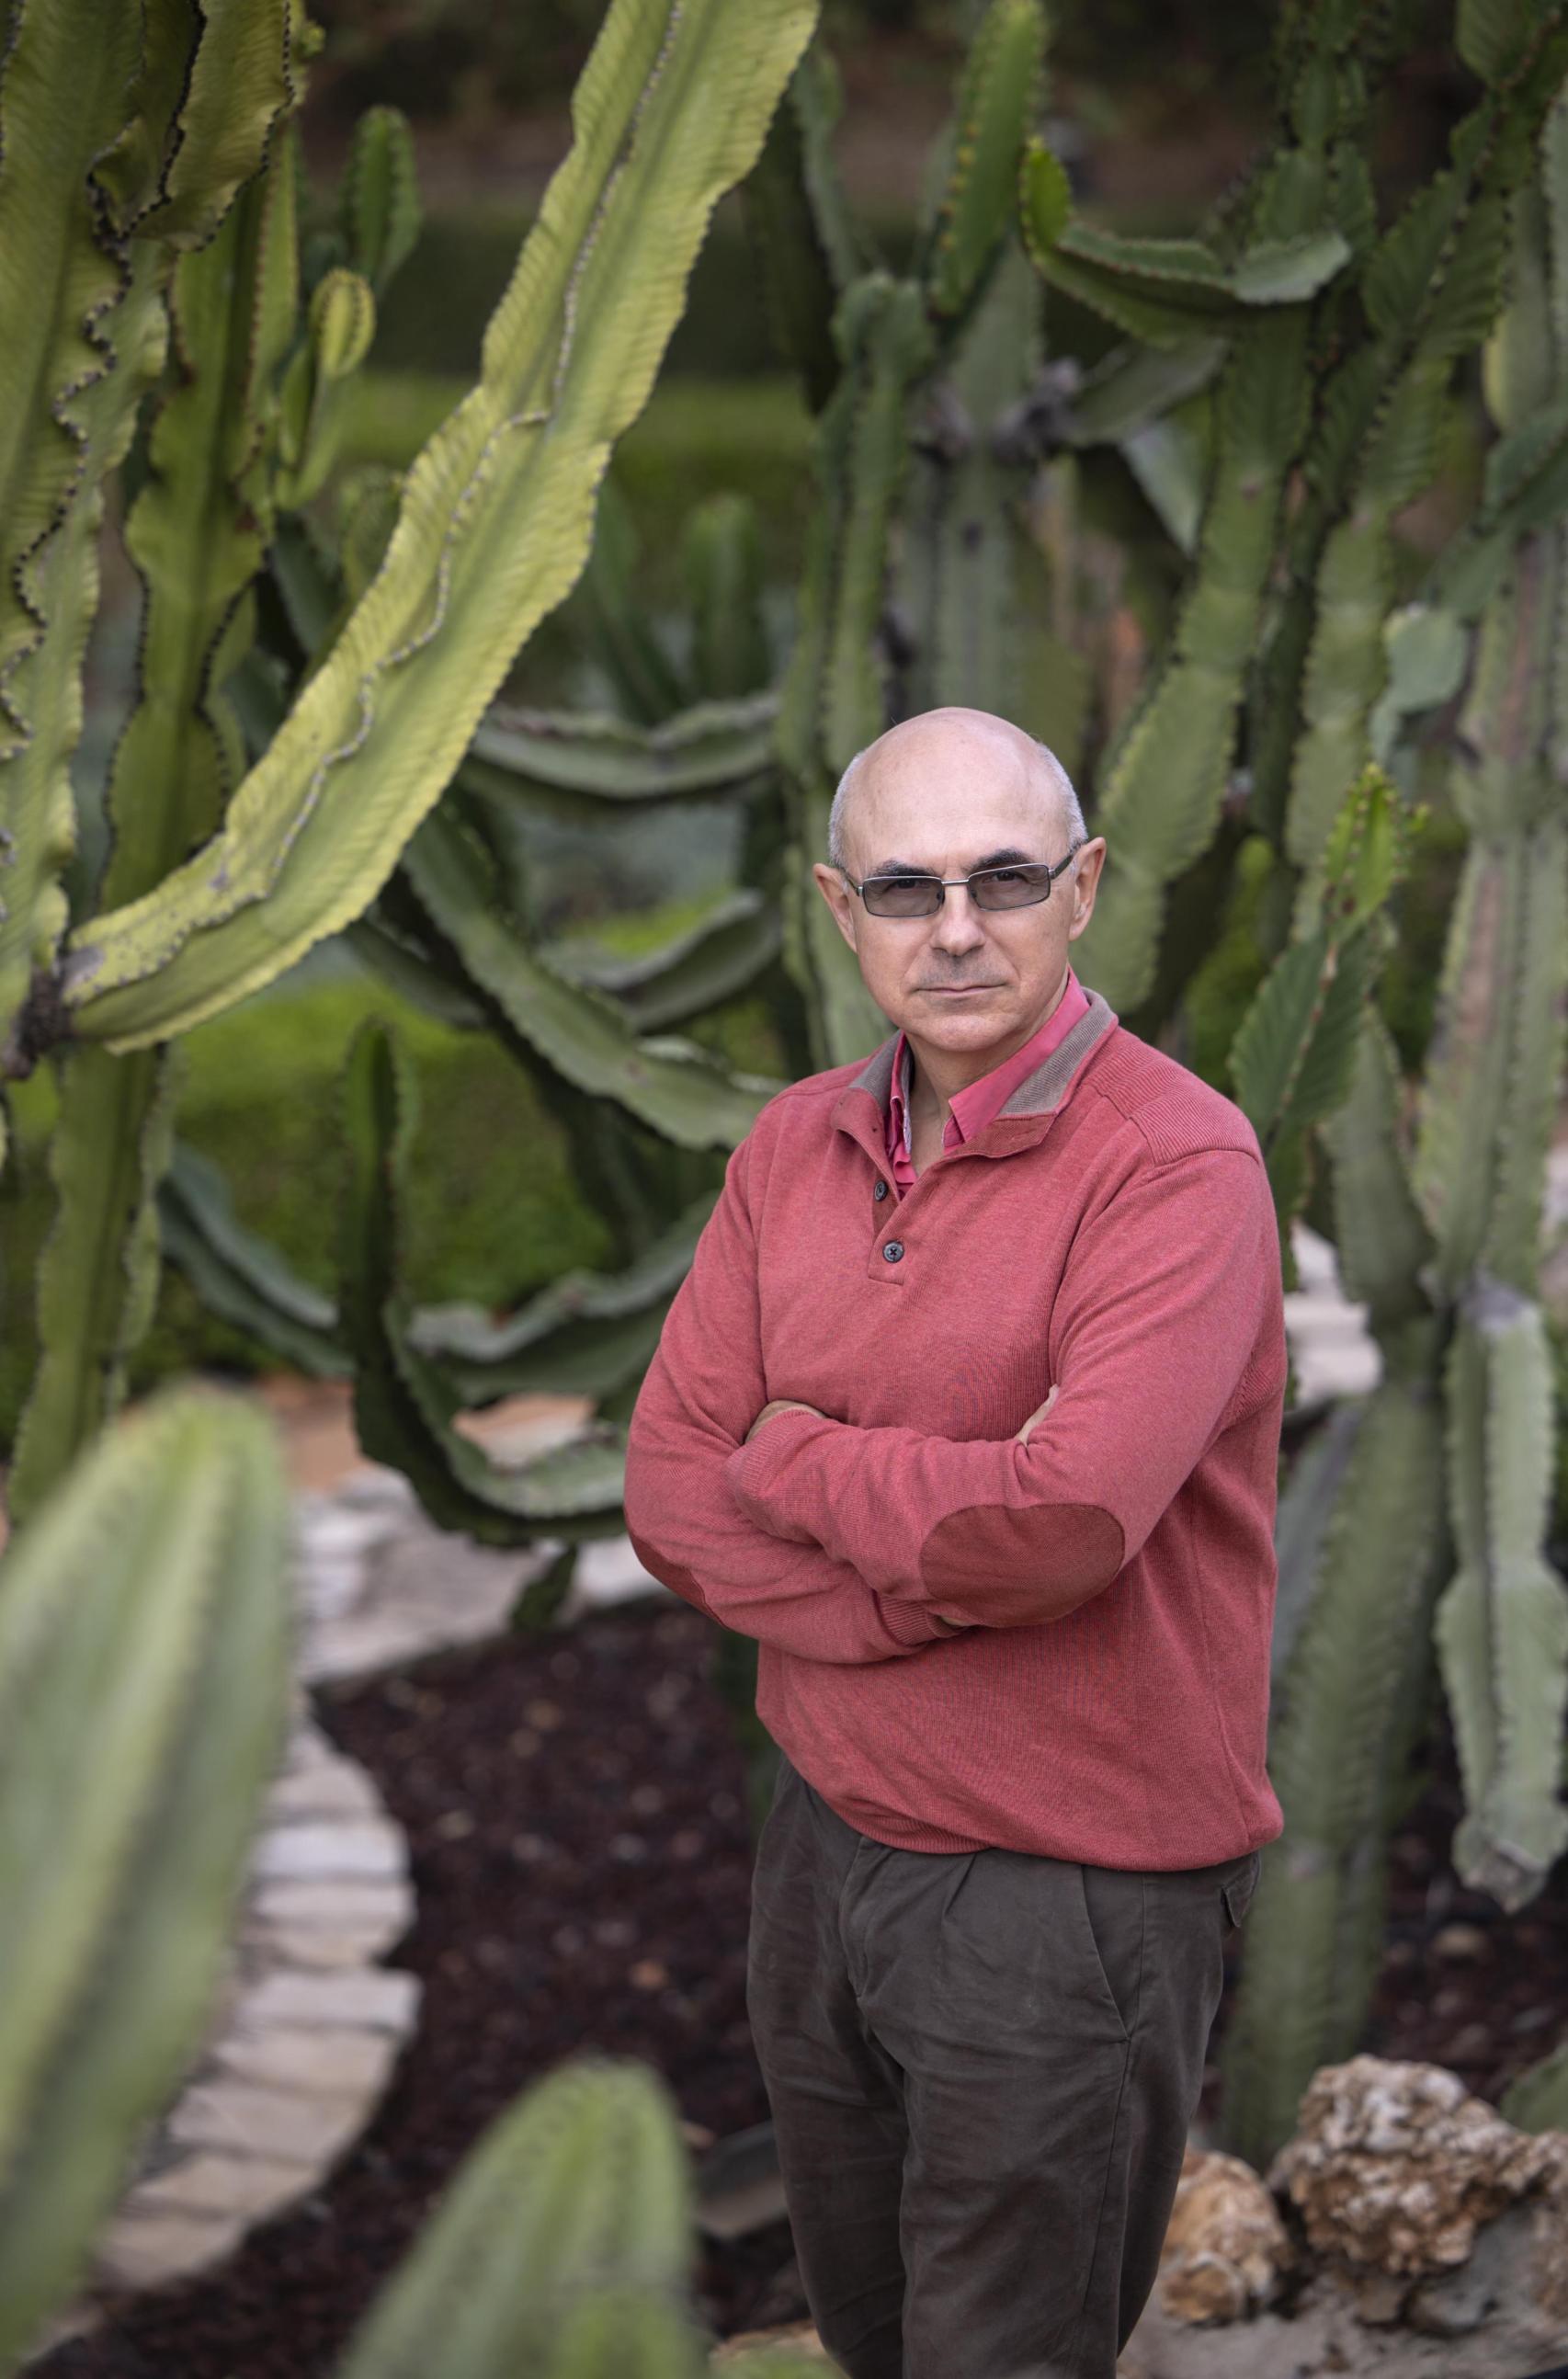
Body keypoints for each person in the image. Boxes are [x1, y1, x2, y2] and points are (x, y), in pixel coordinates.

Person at [622, 705, 1287, 2379]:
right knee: (871, 2335)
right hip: (825, 1847)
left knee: (1003, 2356)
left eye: (1002, 877)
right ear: (841, 915)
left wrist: (803, 1457)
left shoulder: (1175, 1165)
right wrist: (905, 1595)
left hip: (1061, 1890)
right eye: (905, 889)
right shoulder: (792, 1146)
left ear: (1082, 887)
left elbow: (1055, 1530)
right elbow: (668, 1488)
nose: (957, 928)